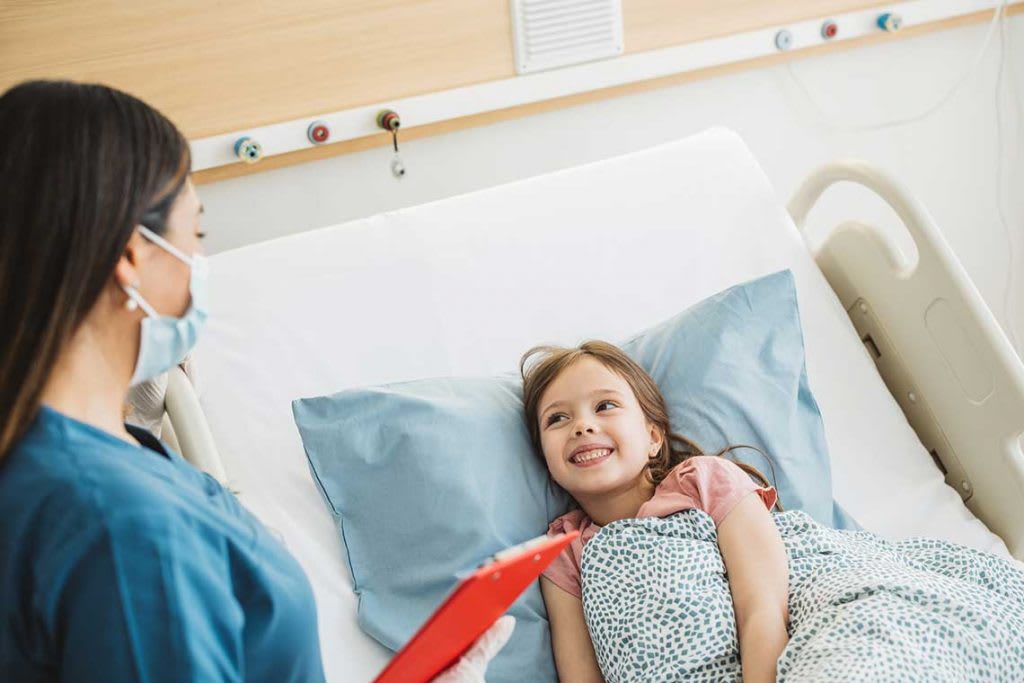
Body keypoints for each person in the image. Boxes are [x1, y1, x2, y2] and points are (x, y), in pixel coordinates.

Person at [0, 80, 512, 682]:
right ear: (132, 259)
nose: (199, 262)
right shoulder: (126, 526)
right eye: (196, 236)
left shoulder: (71, 460)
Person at [520, 341, 788, 683]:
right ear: (545, 460)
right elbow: (582, 676)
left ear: (653, 437)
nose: (582, 426)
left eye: (604, 406)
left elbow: (764, 610)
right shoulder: (563, 551)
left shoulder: (704, 483)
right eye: (557, 418)